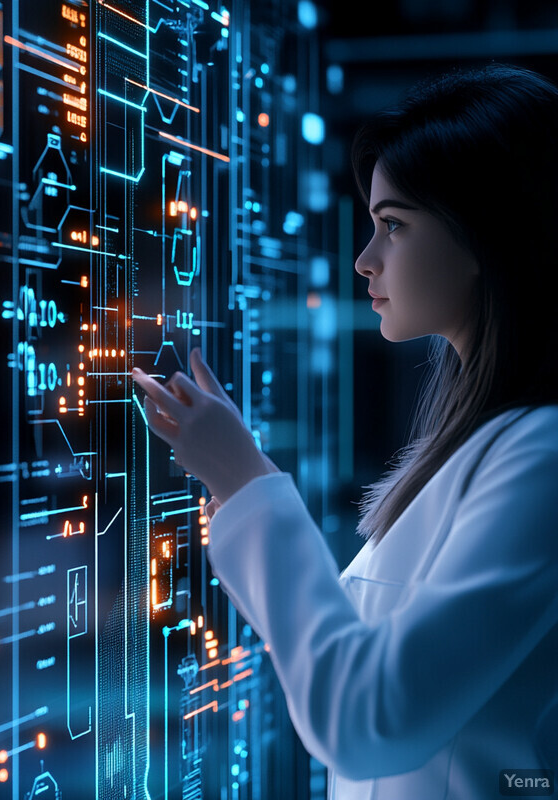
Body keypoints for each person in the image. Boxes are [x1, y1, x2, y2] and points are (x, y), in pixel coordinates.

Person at [131, 62, 558, 799]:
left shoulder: (543, 457)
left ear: (489, 234)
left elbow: (369, 721)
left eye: (393, 225)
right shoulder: (493, 444)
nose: (365, 260)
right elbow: (350, 666)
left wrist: (245, 483)